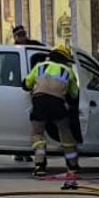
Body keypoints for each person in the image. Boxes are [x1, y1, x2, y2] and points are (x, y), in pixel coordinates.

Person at [23, 44, 81, 189]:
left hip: (39, 101)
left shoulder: (39, 67)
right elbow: (74, 94)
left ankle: (39, 166)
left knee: (37, 133)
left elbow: (27, 84)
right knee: (65, 133)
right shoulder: (68, 71)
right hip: (57, 103)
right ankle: (72, 166)